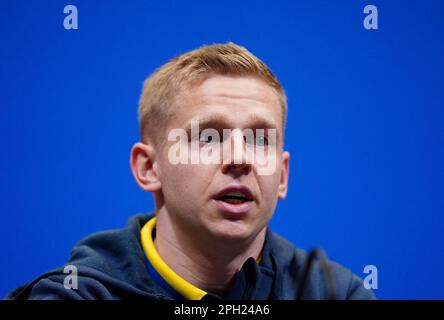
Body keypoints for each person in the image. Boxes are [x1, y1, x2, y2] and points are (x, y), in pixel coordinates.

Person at [7, 42, 375, 300]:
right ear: (149, 168)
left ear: (281, 176)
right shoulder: (76, 295)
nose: (240, 158)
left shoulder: (336, 293)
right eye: (209, 136)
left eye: (260, 139)